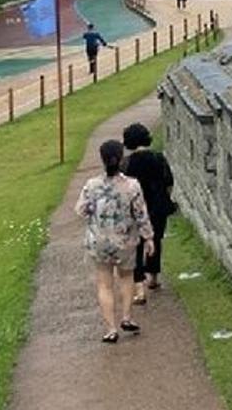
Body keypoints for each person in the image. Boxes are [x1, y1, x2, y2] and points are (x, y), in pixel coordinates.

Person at [74, 139, 155, 343]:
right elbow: (140, 214)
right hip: (125, 239)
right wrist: (148, 237)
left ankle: (110, 328)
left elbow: (80, 210)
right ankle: (127, 317)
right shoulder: (132, 186)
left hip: (100, 240)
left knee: (104, 284)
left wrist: (98, 214)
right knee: (126, 278)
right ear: (120, 159)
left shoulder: (92, 185)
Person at [122, 122, 175, 304]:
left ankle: (139, 290)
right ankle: (153, 277)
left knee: (136, 246)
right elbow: (169, 181)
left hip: (135, 210)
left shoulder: (126, 164)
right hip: (158, 206)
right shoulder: (159, 158)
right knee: (156, 240)